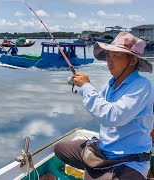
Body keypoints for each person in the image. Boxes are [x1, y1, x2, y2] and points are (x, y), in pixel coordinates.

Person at [54, 32, 153, 179]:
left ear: (132, 60)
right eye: (108, 56)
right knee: (60, 149)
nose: (109, 61)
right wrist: (83, 87)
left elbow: (112, 117)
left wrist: (87, 87)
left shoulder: (141, 86)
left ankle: (100, 170)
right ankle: (99, 169)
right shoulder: (111, 83)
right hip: (104, 150)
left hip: (129, 161)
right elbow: (100, 104)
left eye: (115, 56)